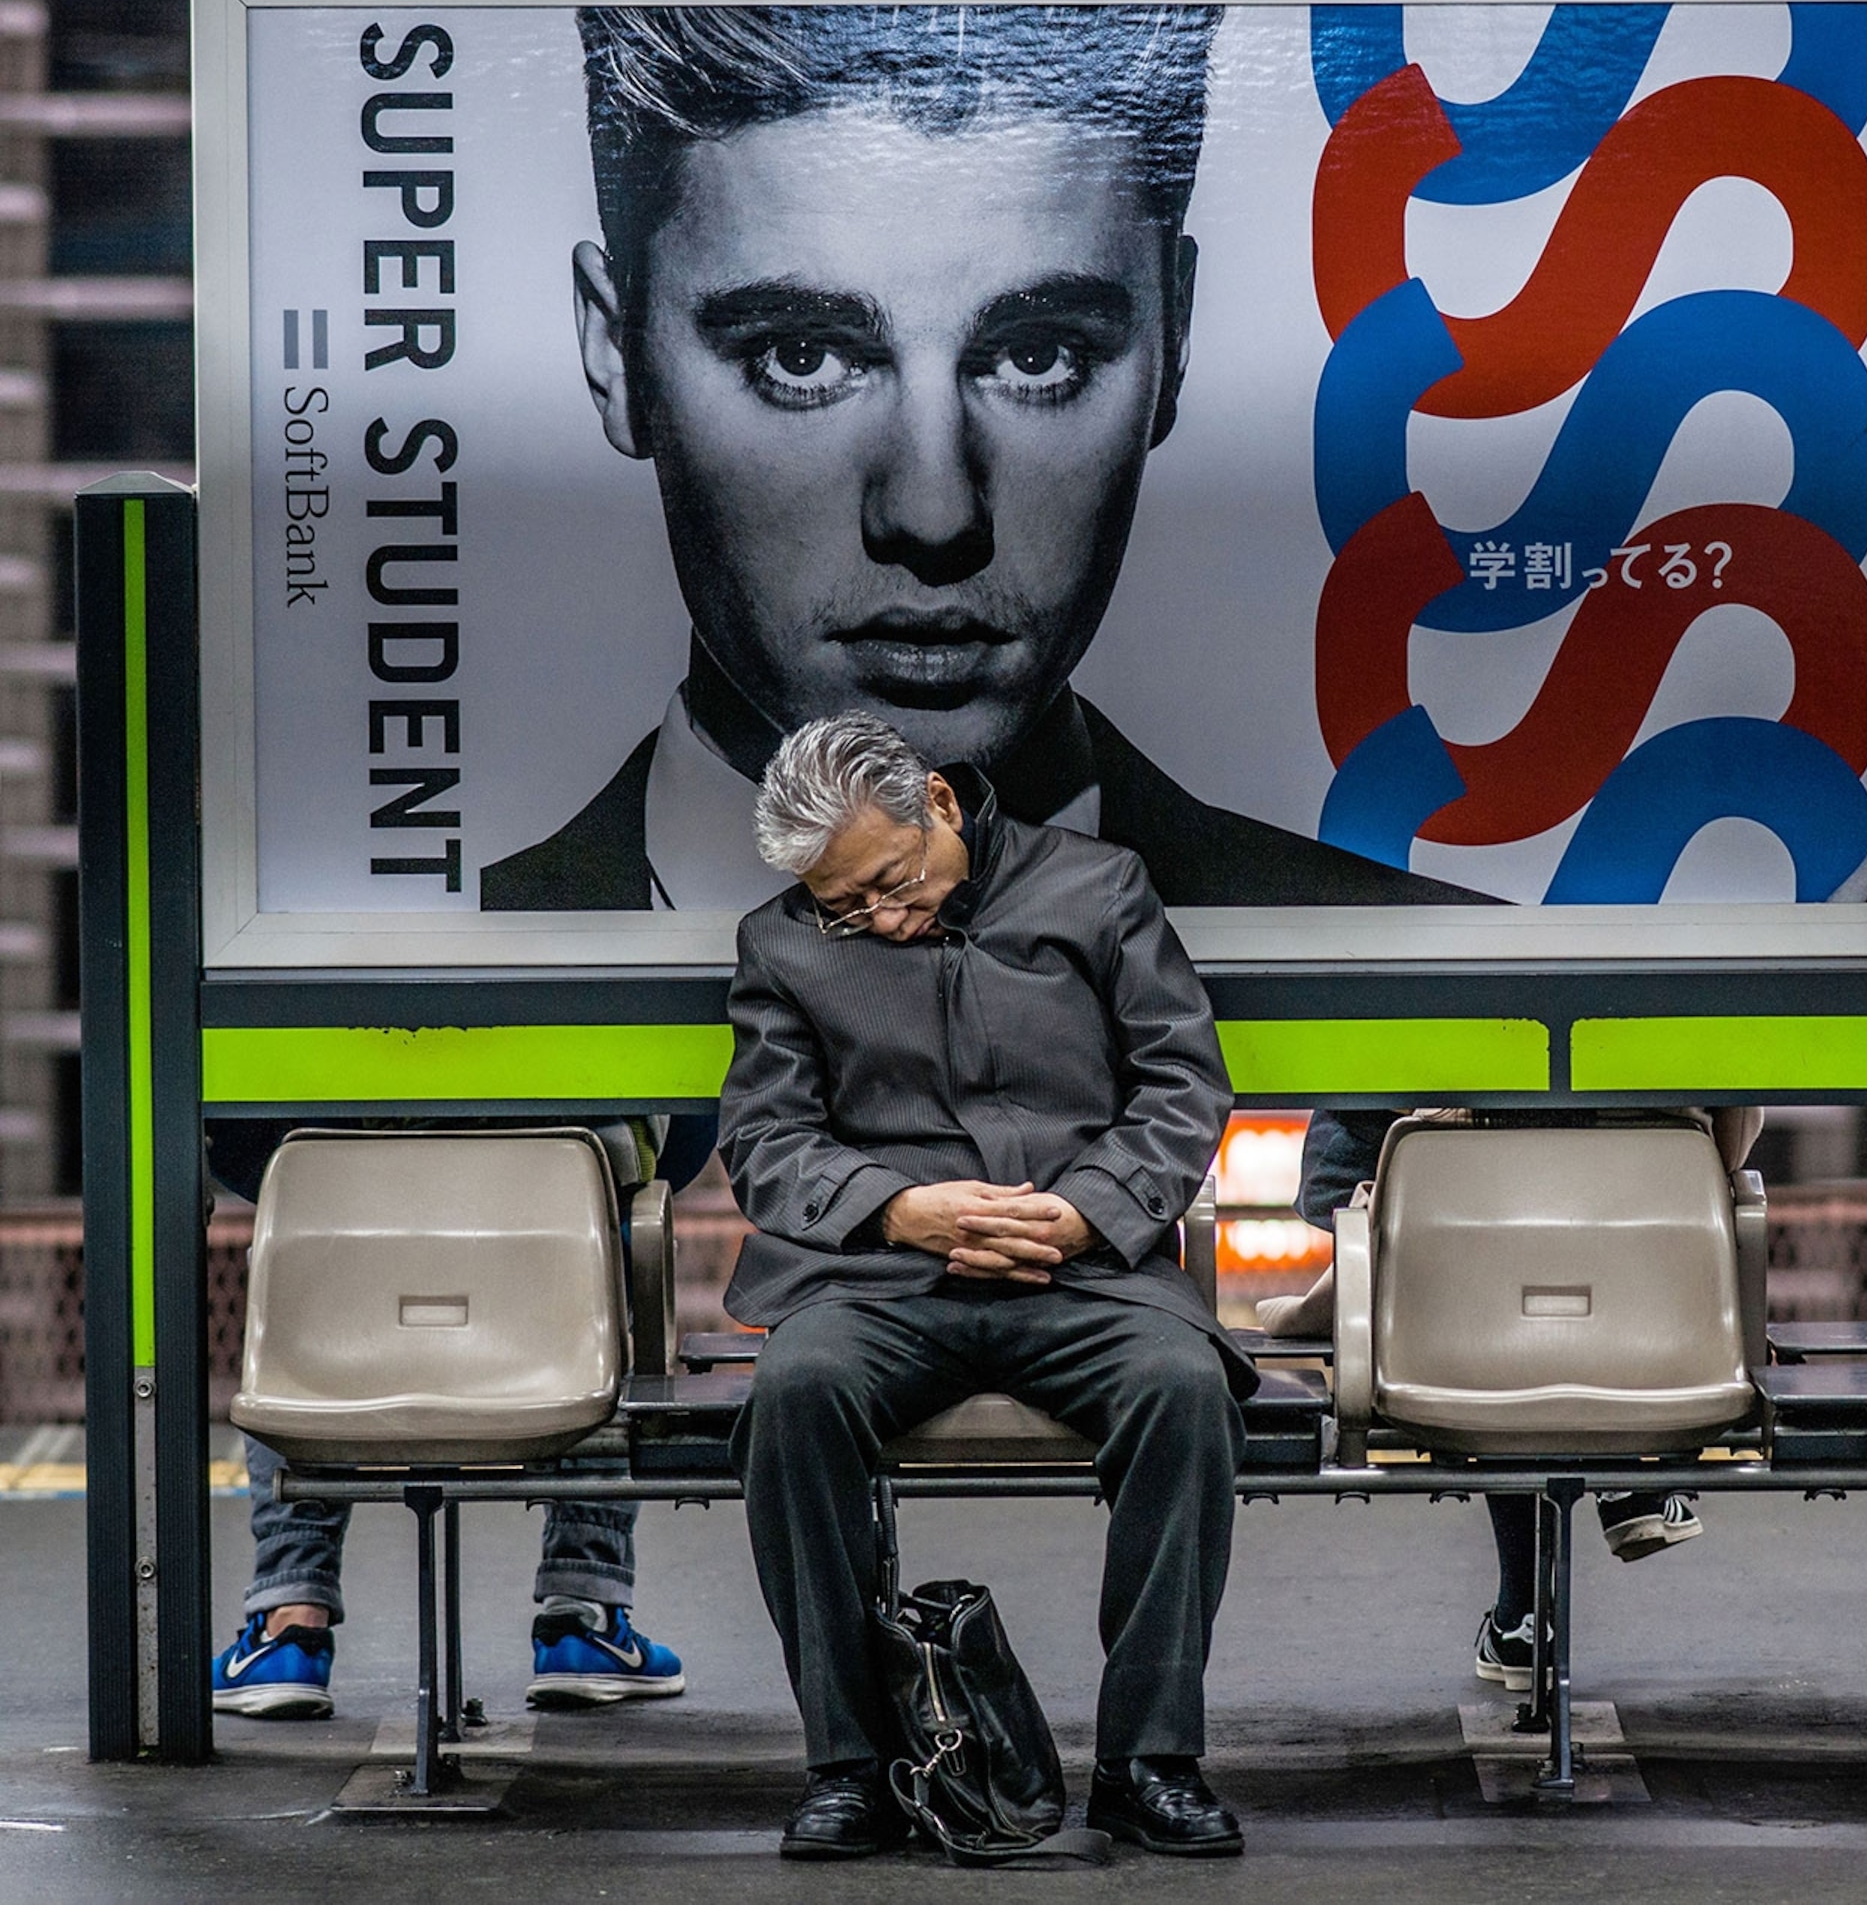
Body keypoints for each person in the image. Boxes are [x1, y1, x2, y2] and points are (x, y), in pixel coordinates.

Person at [483, 4, 1472, 914]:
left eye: (1037, 356)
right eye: (802, 357)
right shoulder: (403, 976)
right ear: (618, 355)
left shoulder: (1450, 982)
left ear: (1174, 339)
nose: (934, 510)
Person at [719, 711, 1249, 1861]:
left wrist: (1087, 1211)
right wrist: (899, 1209)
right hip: (884, 1279)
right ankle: (850, 1764)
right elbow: (764, 1141)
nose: (883, 920)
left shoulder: (1100, 889)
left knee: (1183, 1388)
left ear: (942, 807)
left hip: (1081, 1268)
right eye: (844, 906)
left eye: (892, 883)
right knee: (795, 1393)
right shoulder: (780, 946)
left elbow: (1181, 1083)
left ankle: (1150, 1760)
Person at [206, 1116, 699, 1719]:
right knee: (601, 1265)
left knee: (295, 1255)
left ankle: (289, 1626)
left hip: (342, 1229)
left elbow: (231, 1137)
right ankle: (583, 1613)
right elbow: (687, 1125)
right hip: (551, 1241)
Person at [1277, 1108, 1725, 1688]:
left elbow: (1343, 1151)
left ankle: (1523, 1616)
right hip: (1643, 1204)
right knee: (1622, 1208)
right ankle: (1626, 1474)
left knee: (1493, 1304)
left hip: (1453, 1252)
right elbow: (1736, 1131)